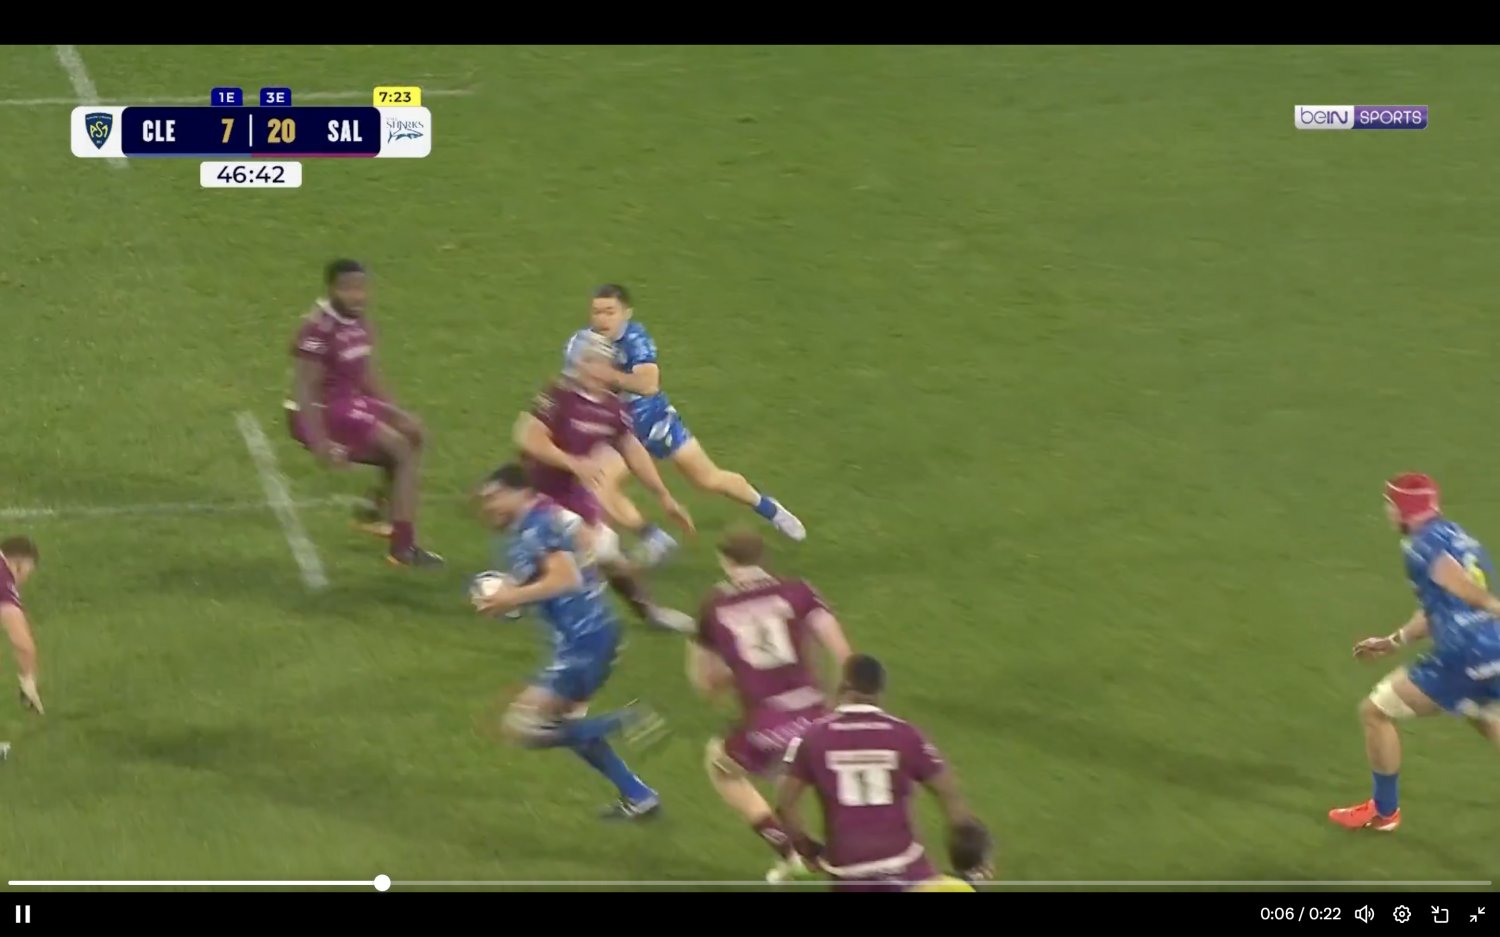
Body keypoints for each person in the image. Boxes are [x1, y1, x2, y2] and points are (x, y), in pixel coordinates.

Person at [472, 464, 666, 820]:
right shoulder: (538, 520)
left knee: (524, 726)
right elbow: (566, 565)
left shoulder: (537, 526)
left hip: (585, 639)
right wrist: (512, 592)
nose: (489, 506)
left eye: (494, 497)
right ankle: (639, 796)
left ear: (520, 492)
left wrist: (510, 597)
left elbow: (566, 579)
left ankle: (629, 721)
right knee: (563, 726)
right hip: (588, 634)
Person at [570, 284, 806, 564]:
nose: (602, 319)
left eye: (610, 311)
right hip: (619, 429)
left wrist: (608, 376)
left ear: (626, 313)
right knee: (600, 484)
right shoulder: (581, 344)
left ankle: (770, 509)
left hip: (656, 422)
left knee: (709, 479)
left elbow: (649, 384)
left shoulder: (636, 339)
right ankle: (642, 542)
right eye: (597, 312)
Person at [1329, 473, 1500, 832]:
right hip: (1495, 649)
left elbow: (1456, 583)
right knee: (1484, 713)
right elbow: (1436, 610)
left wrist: (1491, 604)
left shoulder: (1420, 546)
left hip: (1462, 657)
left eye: (1390, 505)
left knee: (1375, 712)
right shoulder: (1458, 535)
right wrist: (1392, 642)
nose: (1387, 512)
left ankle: (1384, 812)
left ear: (1404, 509)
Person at [688, 530, 852, 882]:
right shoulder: (799, 591)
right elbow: (843, 654)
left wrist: (736, 673)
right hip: (816, 714)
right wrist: (841, 706)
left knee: (720, 765)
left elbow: (707, 682)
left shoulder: (713, 605)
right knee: (821, 775)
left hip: (765, 725)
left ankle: (789, 849)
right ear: (762, 558)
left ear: (725, 560)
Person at [516, 329, 695, 633]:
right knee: (586, 551)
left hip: (575, 495)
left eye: (605, 361)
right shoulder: (558, 396)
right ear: (578, 363)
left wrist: (664, 496)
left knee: (606, 556)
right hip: (540, 494)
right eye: (595, 361)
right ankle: (517, 594)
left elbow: (633, 451)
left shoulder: (613, 407)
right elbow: (529, 438)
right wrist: (573, 462)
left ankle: (650, 613)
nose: (603, 368)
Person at [775, 655, 988, 892]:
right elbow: (947, 791)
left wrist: (807, 847)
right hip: (903, 864)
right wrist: (969, 857)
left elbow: (785, 804)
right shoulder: (904, 734)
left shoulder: (814, 736)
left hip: (848, 872)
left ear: (843, 686)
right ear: (880, 690)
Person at [285, 259, 441, 568]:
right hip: (323, 411)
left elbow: (366, 373)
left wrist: (395, 411)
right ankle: (403, 548)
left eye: (361, 288)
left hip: (348, 402)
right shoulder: (319, 328)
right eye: (348, 289)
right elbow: (304, 388)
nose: (357, 296)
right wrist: (320, 443)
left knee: (414, 433)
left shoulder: (358, 321)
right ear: (332, 289)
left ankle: (374, 509)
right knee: (401, 450)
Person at [0, 537, 44, 715]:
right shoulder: (3, 581)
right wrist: (28, 682)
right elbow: (23, 644)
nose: (24, 580)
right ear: (20, 564)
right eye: (28, 572)